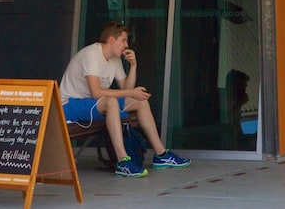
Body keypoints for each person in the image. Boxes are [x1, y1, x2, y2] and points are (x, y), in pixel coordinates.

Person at [59, 21, 190, 177]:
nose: (126, 45)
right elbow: (96, 92)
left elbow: (126, 89)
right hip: (70, 105)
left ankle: (161, 155)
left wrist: (133, 66)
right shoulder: (92, 54)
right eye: (123, 40)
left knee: (140, 101)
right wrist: (131, 92)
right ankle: (122, 161)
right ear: (111, 40)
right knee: (111, 102)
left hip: (93, 105)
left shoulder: (115, 59)